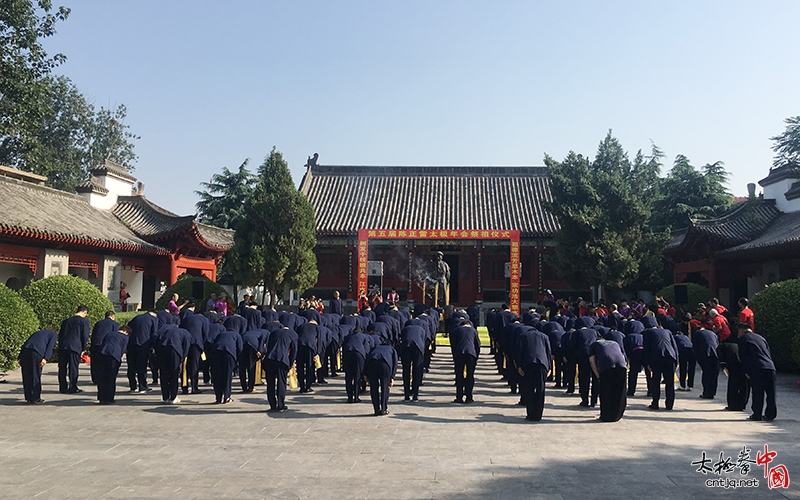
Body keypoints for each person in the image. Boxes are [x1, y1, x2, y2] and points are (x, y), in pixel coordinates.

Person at [737, 323, 777, 421]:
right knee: (771, 392)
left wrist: (746, 370)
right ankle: (770, 414)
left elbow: (743, 356)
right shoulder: (761, 338)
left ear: (741, 330)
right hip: (770, 367)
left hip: (757, 367)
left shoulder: (743, 339)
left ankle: (757, 414)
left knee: (758, 391)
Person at [642, 316, 679, 410]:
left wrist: (648, 363)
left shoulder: (648, 332)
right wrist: (677, 361)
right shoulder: (668, 331)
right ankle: (669, 405)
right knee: (670, 382)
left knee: (656, 381)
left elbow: (646, 349)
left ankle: (655, 403)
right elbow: (674, 347)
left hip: (656, 357)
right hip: (670, 357)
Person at [514, 326, 551, 421]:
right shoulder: (544, 336)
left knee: (529, 389)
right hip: (542, 364)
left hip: (528, 363)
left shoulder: (523, 336)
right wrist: (549, 367)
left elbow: (519, 351)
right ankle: (538, 415)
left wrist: (519, 366)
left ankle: (531, 414)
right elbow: (548, 352)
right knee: (540, 389)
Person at [589, 339, 627, 422]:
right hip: (621, 364)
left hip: (607, 365)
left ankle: (606, 416)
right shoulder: (615, 343)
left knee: (606, 391)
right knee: (620, 391)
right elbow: (623, 356)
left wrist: (598, 375)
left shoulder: (594, 344)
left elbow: (592, 362)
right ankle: (617, 415)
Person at [263, 326, 298, 412]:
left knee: (270, 383)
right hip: (282, 360)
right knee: (281, 382)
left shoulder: (273, 333)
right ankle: (280, 405)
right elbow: (294, 350)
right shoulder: (293, 334)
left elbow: (268, 346)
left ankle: (272, 405)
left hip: (269, 359)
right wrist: (290, 363)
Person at [19, 328, 58, 404]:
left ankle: (29, 397)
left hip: (26, 351)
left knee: (26, 375)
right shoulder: (53, 335)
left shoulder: (37, 332)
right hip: (37, 352)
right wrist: (45, 358)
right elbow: (50, 347)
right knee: (35, 374)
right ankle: (36, 398)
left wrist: (20, 357)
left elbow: (26, 343)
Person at [94, 325, 130, 404]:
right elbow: (123, 349)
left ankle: (101, 398)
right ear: (126, 332)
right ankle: (109, 398)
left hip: (102, 354)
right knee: (111, 377)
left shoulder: (109, 334)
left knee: (102, 377)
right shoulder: (125, 337)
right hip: (113, 356)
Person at [58, 305, 90, 394]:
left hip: (63, 346)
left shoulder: (65, 321)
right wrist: (83, 348)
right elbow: (85, 336)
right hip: (75, 347)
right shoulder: (84, 321)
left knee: (62, 367)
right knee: (73, 367)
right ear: (84, 312)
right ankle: (73, 387)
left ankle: (63, 387)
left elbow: (61, 335)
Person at [156, 325, 192, 404]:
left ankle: (165, 397)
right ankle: (173, 397)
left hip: (162, 349)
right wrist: (182, 358)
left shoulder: (165, 331)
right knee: (174, 374)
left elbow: (157, 340)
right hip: (175, 350)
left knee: (164, 374)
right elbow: (186, 346)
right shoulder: (184, 332)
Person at [180, 304, 209, 395]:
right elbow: (206, 334)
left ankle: (184, 387)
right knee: (194, 366)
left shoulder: (186, 319)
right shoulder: (204, 320)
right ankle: (194, 387)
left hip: (185, 343)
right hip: (196, 343)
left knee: (184, 366)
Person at [127, 310, 158, 393]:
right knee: (142, 365)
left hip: (132, 343)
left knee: (131, 365)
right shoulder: (153, 319)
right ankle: (142, 386)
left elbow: (128, 327)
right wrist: (153, 347)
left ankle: (132, 386)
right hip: (143, 344)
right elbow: (154, 334)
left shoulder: (136, 318)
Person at [450, 320, 481, 403]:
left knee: (459, 375)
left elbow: (453, 344)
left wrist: (454, 356)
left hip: (460, 353)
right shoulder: (474, 331)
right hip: (471, 354)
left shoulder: (457, 330)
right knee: (470, 375)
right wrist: (476, 357)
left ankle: (459, 397)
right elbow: (477, 345)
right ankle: (469, 397)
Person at [364, 340, 398, 416]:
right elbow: (395, 363)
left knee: (373, 387)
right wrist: (392, 377)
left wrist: (365, 374)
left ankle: (376, 409)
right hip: (384, 364)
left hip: (372, 363)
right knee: (385, 387)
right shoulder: (392, 349)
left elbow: (367, 358)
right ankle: (383, 409)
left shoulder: (375, 348)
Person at [210, 326, 242, 404]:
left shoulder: (220, 334)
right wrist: (236, 359)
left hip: (216, 352)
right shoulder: (237, 335)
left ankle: (218, 398)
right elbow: (240, 348)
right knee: (227, 376)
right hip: (229, 353)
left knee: (217, 375)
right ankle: (227, 397)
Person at [341, 328, 374, 403]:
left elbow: (344, 346)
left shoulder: (348, 336)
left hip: (348, 353)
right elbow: (366, 349)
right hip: (359, 354)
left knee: (348, 376)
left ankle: (349, 397)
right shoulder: (364, 336)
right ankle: (356, 397)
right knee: (357, 376)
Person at [692, 322, 720, 400]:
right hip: (715, 355)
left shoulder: (697, 333)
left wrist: (697, 359)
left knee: (706, 374)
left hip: (705, 355)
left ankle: (706, 392)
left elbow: (695, 346)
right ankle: (712, 392)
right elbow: (717, 344)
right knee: (714, 375)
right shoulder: (712, 333)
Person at [89, 311, 118, 384]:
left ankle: (95, 379)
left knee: (95, 363)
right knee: (105, 363)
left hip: (96, 344)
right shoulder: (114, 324)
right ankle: (104, 378)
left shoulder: (98, 323)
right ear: (112, 316)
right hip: (106, 345)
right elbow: (114, 336)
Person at [399, 322, 426, 402]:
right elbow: (423, 340)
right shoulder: (421, 329)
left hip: (406, 346)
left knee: (406, 370)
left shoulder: (405, 329)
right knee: (416, 370)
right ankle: (415, 395)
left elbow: (402, 338)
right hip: (418, 347)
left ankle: (406, 395)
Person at [239, 328, 268, 393]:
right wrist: (260, 351)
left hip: (243, 343)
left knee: (242, 367)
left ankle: (244, 387)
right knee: (251, 367)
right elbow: (263, 341)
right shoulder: (266, 333)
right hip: (252, 345)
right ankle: (250, 387)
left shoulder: (251, 331)